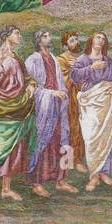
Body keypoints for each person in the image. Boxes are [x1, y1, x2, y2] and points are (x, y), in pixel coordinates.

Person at [0, 28, 36, 203]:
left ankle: (6, 189)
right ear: (7, 36)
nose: (19, 36)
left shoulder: (16, 56)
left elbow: (27, 77)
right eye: (17, 33)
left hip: (20, 107)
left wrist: (31, 86)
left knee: (15, 150)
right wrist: (0, 63)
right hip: (2, 110)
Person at [24, 29, 77, 198]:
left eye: (49, 35)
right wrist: (52, 93)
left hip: (58, 106)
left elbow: (60, 82)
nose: (49, 38)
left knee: (63, 141)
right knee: (42, 143)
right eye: (45, 36)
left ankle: (61, 180)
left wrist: (61, 93)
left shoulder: (53, 58)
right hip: (43, 109)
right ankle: (37, 182)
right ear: (39, 41)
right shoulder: (33, 60)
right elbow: (30, 88)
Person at [70, 32, 112, 191]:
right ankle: (94, 175)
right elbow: (74, 76)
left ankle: (104, 172)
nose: (101, 40)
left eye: (103, 38)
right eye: (98, 37)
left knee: (107, 137)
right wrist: (91, 67)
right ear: (91, 41)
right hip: (90, 103)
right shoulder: (83, 60)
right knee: (91, 138)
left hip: (106, 103)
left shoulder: (108, 61)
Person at [57, 32, 89, 172]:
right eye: (72, 40)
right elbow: (62, 81)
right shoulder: (61, 60)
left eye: (76, 39)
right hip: (68, 101)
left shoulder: (81, 59)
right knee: (69, 128)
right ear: (65, 46)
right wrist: (74, 70)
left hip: (80, 98)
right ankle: (69, 161)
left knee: (80, 128)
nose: (76, 42)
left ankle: (77, 158)